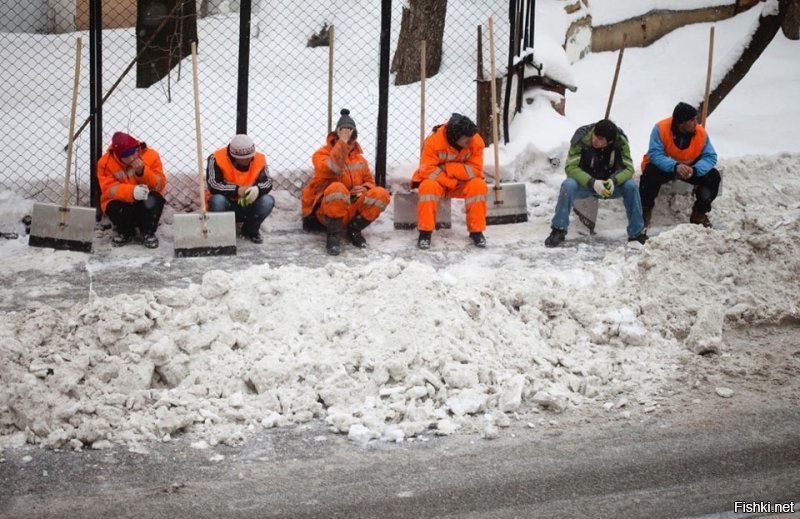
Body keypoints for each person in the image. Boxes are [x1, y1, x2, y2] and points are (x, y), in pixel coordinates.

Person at [544, 119, 647, 247]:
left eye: (600, 139)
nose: (595, 140)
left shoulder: (620, 142)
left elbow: (629, 168)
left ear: (609, 142)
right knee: (568, 185)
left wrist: (613, 181)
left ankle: (636, 233)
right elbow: (570, 167)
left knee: (631, 186)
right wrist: (592, 182)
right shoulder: (581, 138)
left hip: (609, 186)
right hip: (585, 184)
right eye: (595, 136)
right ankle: (558, 229)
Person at [302, 109, 391, 255]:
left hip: (351, 208)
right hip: (327, 211)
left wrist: (364, 188)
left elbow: (370, 182)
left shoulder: (360, 159)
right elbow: (333, 169)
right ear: (337, 136)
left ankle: (354, 230)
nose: (349, 141)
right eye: (345, 136)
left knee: (381, 193)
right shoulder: (321, 154)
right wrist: (342, 142)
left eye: (351, 137)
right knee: (337, 188)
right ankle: (333, 235)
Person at [411, 113, 488, 249]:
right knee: (428, 187)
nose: (470, 142)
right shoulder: (433, 141)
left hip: (461, 182)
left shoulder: (476, 141)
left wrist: (448, 167)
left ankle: (476, 231)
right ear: (455, 137)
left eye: (471, 138)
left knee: (478, 185)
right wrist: (451, 182)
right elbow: (427, 170)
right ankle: (425, 232)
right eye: (466, 139)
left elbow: (475, 170)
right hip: (439, 182)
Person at [639, 101, 721, 228]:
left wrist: (695, 170)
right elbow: (655, 154)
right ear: (681, 123)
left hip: (690, 170)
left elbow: (710, 156)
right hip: (665, 168)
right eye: (692, 120)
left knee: (714, 177)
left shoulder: (700, 133)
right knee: (649, 175)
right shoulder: (661, 128)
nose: (696, 123)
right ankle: (645, 211)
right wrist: (675, 166)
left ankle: (699, 213)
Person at [97, 131, 166, 248]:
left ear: (137, 147)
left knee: (155, 198)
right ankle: (125, 232)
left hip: (144, 204)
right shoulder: (105, 163)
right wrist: (132, 192)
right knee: (113, 206)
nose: (131, 158)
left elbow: (160, 184)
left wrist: (142, 172)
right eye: (125, 156)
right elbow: (108, 189)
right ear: (118, 156)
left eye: (133, 152)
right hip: (123, 204)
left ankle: (148, 232)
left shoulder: (151, 155)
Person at [206, 134, 275, 244]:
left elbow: (268, 182)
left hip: (249, 204)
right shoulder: (216, 158)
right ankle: (221, 233)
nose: (248, 160)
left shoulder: (259, 159)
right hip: (226, 204)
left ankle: (250, 230)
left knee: (268, 201)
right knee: (217, 200)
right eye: (244, 158)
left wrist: (257, 189)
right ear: (233, 156)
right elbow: (213, 185)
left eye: (250, 157)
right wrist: (236, 190)